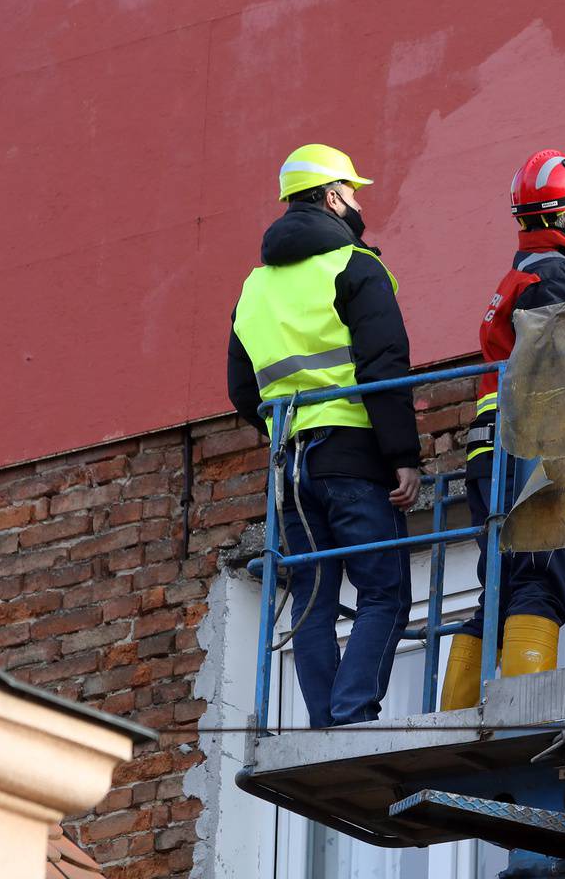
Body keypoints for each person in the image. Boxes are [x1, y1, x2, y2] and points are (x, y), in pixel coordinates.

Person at [228, 143, 422, 728]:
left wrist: (285, 432)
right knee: (383, 593)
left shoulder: (254, 287)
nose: (358, 204)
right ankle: (352, 713)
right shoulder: (357, 267)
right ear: (333, 197)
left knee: (311, 597)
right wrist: (403, 456)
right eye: (353, 193)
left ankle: (323, 723)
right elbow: (383, 365)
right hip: (353, 457)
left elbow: (243, 391)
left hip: (290, 467)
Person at [440, 149, 565, 710]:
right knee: (537, 582)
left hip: (493, 455)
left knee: (501, 591)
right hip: (531, 447)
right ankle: (523, 716)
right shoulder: (557, 277)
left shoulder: (525, 273)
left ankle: (459, 717)